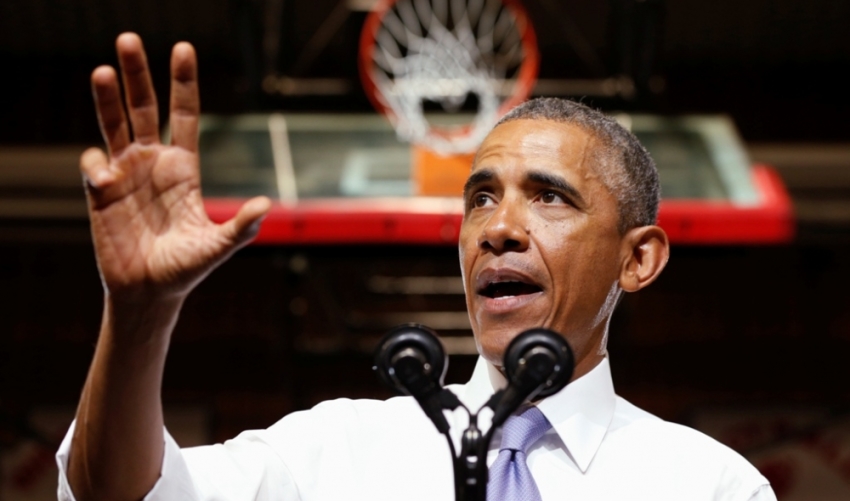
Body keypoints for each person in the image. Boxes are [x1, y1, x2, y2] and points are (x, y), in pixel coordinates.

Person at [56, 33, 775, 501]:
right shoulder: (331, 451)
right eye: (481, 198)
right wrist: (139, 315)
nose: (498, 228)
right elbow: (115, 494)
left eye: (549, 197)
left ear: (638, 257)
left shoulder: (709, 484)